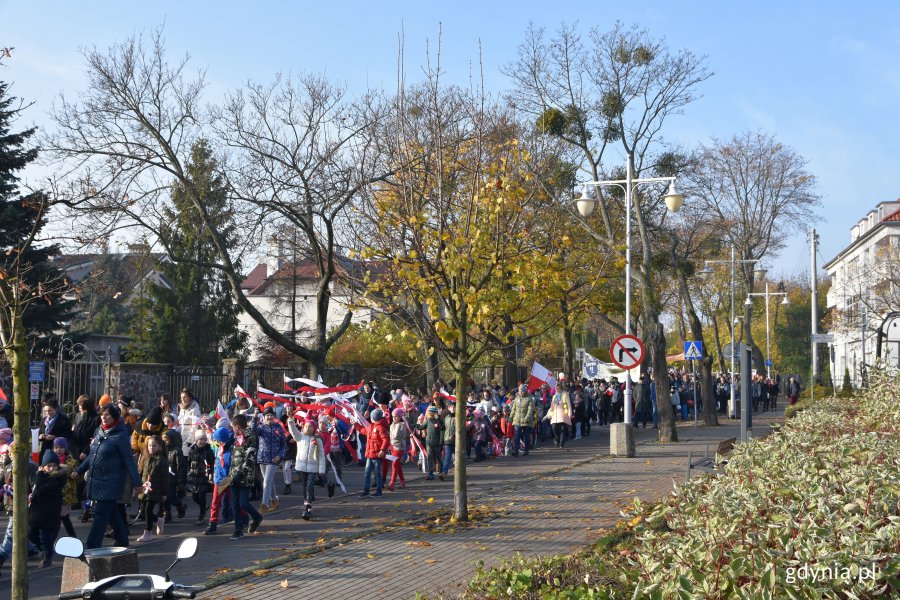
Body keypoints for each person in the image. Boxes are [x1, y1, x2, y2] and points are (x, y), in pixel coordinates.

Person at [74, 403, 142, 549]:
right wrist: (79, 470)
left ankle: (92, 546)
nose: (103, 418)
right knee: (112, 512)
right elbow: (92, 455)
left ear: (115, 417)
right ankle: (122, 540)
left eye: (107, 415)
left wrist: (137, 483)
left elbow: (129, 461)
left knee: (101, 514)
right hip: (97, 479)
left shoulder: (121, 435)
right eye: (102, 414)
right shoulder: (100, 431)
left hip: (111, 481)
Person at [29, 450, 69, 567]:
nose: (51, 468)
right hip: (36, 513)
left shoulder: (57, 479)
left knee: (45, 538)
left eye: (54, 466)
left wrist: (40, 475)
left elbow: (43, 488)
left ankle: (47, 558)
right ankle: (44, 552)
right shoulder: (40, 476)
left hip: (49, 514)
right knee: (32, 535)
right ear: (43, 467)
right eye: (49, 466)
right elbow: (35, 487)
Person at [229, 414, 263, 540]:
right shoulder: (236, 437)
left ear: (237, 427)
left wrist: (241, 472)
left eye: (233, 427)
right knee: (235, 504)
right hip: (234, 474)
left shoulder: (250, 437)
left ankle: (257, 517)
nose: (232, 429)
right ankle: (238, 529)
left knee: (243, 503)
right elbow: (234, 456)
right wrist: (232, 473)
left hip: (245, 476)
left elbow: (250, 457)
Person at [286, 415, 326, 520]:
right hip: (301, 467)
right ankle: (307, 505)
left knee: (309, 486)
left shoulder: (318, 440)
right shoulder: (300, 437)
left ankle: (307, 506)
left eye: (310, 427)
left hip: (313, 468)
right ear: (303, 427)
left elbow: (321, 455)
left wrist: (321, 470)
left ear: (314, 429)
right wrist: (290, 420)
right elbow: (293, 430)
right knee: (304, 487)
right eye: (306, 426)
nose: (308, 428)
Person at [136, 435, 169, 542]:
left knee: (147, 510)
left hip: (156, 489)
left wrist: (164, 493)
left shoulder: (162, 460)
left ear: (160, 446)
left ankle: (148, 533)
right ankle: (157, 520)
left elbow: (165, 478)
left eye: (154, 445)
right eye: (150, 445)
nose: (151, 447)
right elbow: (143, 474)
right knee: (145, 511)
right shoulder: (146, 457)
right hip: (145, 488)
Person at [254, 407, 286, 513]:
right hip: (262, 458)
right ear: (264, 417)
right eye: (267, 415)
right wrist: (254, 418)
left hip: (274, 459)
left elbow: (283, 444)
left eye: (271, 415)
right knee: (269, 480)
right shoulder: (261, 428)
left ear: (274, 416)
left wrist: (280, 455)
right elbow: (253, 431)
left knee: (267, 481)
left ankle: (265, 504)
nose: (269, 417)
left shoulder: (279, 428)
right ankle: (274, 501)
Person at [204, 424, 234, 536]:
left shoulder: (229, 452)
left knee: (234, 501)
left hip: (227, 480)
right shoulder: (220, 449)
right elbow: (217, 464)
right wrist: (214, 476)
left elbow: (228, 466)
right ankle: (213, 523)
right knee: (215, 503)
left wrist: (226, 479)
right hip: (219, 479)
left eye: (216, 439)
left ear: (222, 441)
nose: (215, 441)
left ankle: (243, 518)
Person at [186, 429, 215, 526]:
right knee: (194, 496)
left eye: (204, 439)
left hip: (205, 477)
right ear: (196, 440)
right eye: (200, 439)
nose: (202, 441)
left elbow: (212, 463)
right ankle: (204, 507)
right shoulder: (191, 450)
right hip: (194, 477)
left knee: (202, 495)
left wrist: (211, 475)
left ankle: (201, 515)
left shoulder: (209, 451)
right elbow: (189, 463)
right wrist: (188, 473)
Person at [358, 408, 389, 498]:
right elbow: (363, 430)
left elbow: (386, 440)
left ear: (373, 418)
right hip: (369, 455)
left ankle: (379, 491)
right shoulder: (371, 427)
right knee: (367, 473)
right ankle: (366, 490)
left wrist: (382, 450)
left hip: (377, 455)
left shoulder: (380, 428)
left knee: (377, 473)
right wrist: (355, 424)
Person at [53, 438, 79, 538]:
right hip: (55, 492)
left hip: (67, 493)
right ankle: (71, 536)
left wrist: (75, 474)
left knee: (63, 517)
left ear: (65, 448)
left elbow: (76, 472)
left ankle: (72, 537)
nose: (58, 449)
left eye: (61, 447)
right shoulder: (51, 460)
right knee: (60, 517)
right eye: (56, 447)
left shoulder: (71, 461)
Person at [162, 428, 187, 522]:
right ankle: (167, 514)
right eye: (163, 439)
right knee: (164, 498)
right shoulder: (162, 450)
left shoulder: (177, 451)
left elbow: (180, 467)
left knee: (171, 497)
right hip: (164, 477)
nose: (164, 441)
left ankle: (180, 506)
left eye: (166, 439)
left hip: (173, 478)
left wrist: (180, 482)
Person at [417, 405, 444, 480]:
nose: (431, 415)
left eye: (432, 414)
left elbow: (442, 428)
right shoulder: (428, 420)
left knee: (438, 458)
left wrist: (441, 442)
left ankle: (441, 472)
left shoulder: (439, 421)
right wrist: (417, 425)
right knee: (430, 459)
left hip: (437, 443)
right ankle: (430, 474)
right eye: (430, 414)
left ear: (436, 413)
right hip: (429, 443)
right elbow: (422, 427)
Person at [508, 384, 534, 457]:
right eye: (519, 391)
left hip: (526, 421)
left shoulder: (529, 398)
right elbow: (514, 409)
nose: (520, 392)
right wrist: (510, 417)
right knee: (517, 436)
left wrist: (527, 418)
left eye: (521, 391)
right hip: (517, 420)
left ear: (524, 391)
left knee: (526, 436)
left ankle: (526, 450)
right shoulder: (516, 399)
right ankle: (516, 450)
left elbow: (530, 409)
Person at [545, 381, 573, 448]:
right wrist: (550, 415)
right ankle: (557, 440)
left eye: (559, 388)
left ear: (561, 388)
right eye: (556, 388)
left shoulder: (565, 395)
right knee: (554, 428)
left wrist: (570, 413)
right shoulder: (554, 396)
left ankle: (561, 443)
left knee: (562, 429)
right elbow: (552, 407)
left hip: (563, 415)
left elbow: (569, 405)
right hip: (555, 415)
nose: (557, 390)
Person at [387, 408, 409, 490]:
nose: (394, 418)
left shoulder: (402, 425)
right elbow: (390, 436)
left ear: (400, 417)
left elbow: (396, 436)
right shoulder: (392, 425)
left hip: (399, 447)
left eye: (396, 416)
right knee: (397, 465)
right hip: (393, 447)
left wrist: (394, 427)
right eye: (393, 417)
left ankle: (392, 482)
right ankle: (402, 481)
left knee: (394, 464)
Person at [440, 401, 456, 478]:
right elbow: (443, 428)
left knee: (457, 458)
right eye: (451, 407)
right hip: (447, 440)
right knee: (447, 456)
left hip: (457, 441)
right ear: (449, 408)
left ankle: (459, 474)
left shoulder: (458, 417)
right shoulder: (447, 417)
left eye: (454, 407)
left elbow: (461, 429)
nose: (453, 408)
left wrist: (454, 435)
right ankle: (444, 473)